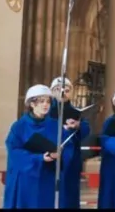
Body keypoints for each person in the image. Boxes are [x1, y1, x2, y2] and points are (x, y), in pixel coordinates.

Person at [4, 84, 65, 208]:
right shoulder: (19, 127)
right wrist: (39, 158)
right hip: (25, 180)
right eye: (41, 101)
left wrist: (58, 153)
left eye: (48, 101)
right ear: (32, 104)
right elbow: (14, 152)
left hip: (46, 178)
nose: (45, 105)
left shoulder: (55, 125)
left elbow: (63, 146)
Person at [49, 77, 89, 209]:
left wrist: (78, 126)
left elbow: (86, 131)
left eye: (66, 90)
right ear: (52, 91)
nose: (63, 92)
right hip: (51, 159)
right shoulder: (46, 111)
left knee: (69, 197)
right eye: (58, 89)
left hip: (71, 162)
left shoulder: (77, 112)